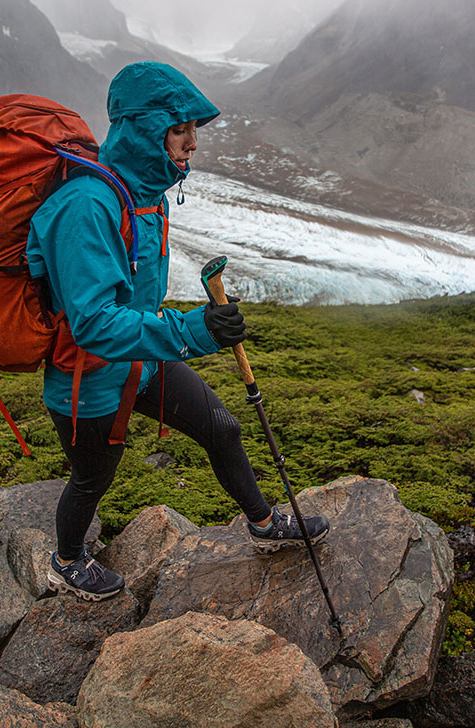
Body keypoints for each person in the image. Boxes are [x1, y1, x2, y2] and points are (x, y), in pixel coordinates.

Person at [25, 62, 329, 601]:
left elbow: (138, 298)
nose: (192, 144)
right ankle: (67, 560)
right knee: (91, 479)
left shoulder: (144, 194)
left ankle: (262, 523)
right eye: (180, 129)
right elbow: (94, 322)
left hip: (142, 361)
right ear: (145, 129)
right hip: (88, 380)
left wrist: (203, 319)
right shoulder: (86, 206)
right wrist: (194, 329)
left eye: (194, 130)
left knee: (223, 429)